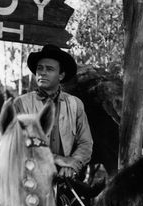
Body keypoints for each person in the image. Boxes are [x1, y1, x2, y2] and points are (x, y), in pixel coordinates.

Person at [14, 44, 93, 179]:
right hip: (29, 177)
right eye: (40, 68)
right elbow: (15, 144)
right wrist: (56, 159)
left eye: (49, 69)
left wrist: (72, 165)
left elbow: (85, 143)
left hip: (65, 176)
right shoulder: (21, 103)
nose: (42, 73)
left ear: (61, 75)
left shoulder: (75, 104)